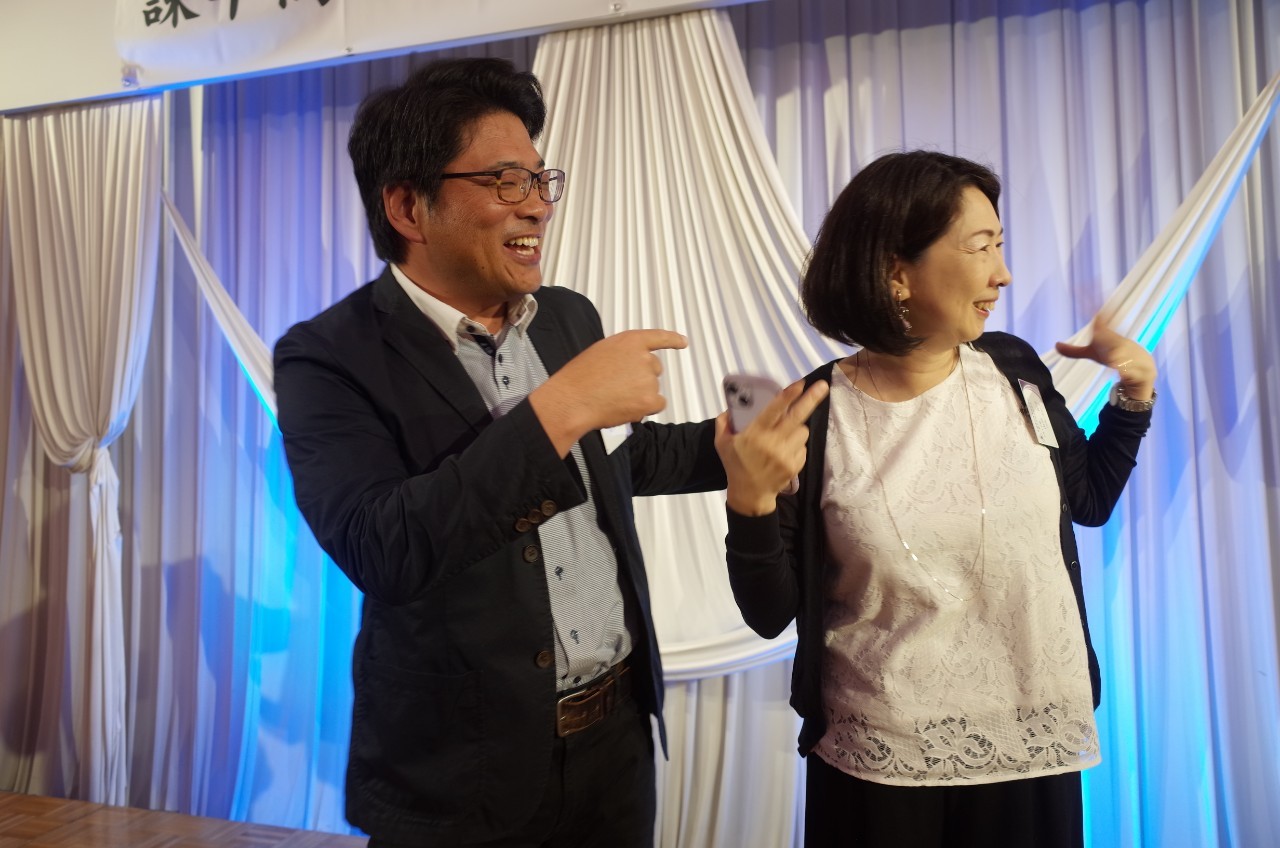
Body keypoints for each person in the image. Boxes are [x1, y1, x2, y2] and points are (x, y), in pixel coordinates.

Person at [273, 57, 726, 847]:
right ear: (409, 207)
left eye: (541, 179)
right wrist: (563, 405)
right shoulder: (327, 356)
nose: (538, 206)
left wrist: (737, 443)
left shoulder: (566, 318)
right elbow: (385, 546)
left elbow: (617, 460)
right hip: (460, 775)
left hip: (616, 742)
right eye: (505, 180)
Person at [714, 151, 1156, 847]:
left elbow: (1089, 499)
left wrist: (1134, 396)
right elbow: (770, 613)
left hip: (1033, 747)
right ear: (897, 273)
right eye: (981, 248)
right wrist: (749, 503)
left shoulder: (1014, 370)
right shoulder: (815, 412)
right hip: (882, 766)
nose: (1002, 273)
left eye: (1000, 245)